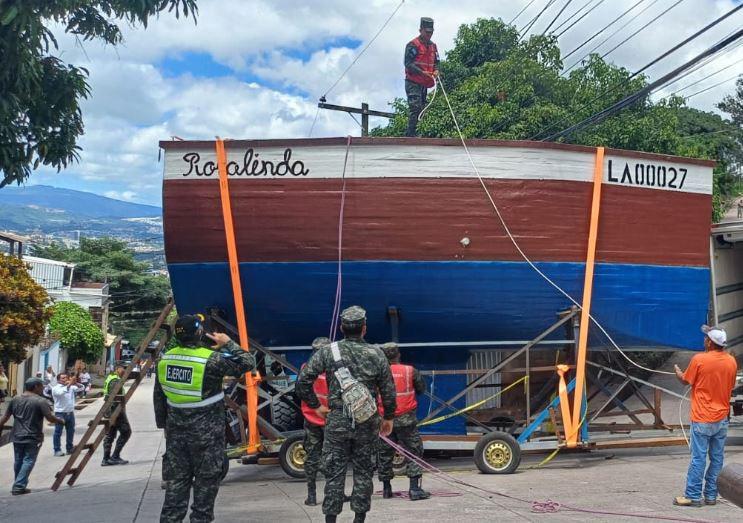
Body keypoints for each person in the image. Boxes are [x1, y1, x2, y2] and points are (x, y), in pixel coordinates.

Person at [296, 306, 396, 523]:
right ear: (364, 329)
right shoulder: (377, 354)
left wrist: (316, 406)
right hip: (367, 421)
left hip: (337, 419)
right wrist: (388, 417)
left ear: (341, 327)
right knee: (363, 471)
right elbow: (388, 390)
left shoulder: (327, 352)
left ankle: (331, 519)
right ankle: (359, 519)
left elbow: (303, 382)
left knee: (334, 473)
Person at [154, 314, 257, 523]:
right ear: (200, 333)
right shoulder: (211, 360)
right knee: (205, 488)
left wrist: (164, 425)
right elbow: (248, 362)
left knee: (175, 490)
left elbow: (159, 397)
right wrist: (228, 343)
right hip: (207, 437)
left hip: (176, 437)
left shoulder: (164, 360)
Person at [673, 325, 737, 507]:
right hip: (722, 418)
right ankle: (711, 495)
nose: (704, 340)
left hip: (702, 417)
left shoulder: (699, 359)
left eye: (706, 337)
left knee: (698, 458)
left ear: (710, 342)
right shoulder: (731, 361)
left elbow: (685, 379)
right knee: (717, 459)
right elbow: (730, 385)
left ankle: (693, 496)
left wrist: (678, 372)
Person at [376, 342, 430, 501]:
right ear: (398, 355)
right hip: (407, 420)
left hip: (385, 421)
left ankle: (386, 489)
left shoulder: (377, 373)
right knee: (414, 452)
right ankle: (414, 489)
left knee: (384, 454)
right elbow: (421, 389)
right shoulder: (410, 371)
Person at [0, 378, 64, 495]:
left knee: (19, 460)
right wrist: (60, 421)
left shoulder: (15, 399)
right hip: (32, 436)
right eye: (41, 386)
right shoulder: (40, 401)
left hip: (17, 435)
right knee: (28, 460)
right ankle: (19, 486)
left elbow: (5, 418)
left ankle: (18, 484)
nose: (43, 388)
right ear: (35, 387)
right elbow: (50, 418)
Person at [300, 336, 331, 506]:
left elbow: (300, 390)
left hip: (311, 419)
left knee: (312, 457)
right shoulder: (335, 371)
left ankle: (311, 496)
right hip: (329, 420)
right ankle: (332, 493)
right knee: (332, 458)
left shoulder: (306, 369)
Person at [404, 17, 439, 137]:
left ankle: (420, 134)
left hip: (425, 83)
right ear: (421, 30)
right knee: (415, 108)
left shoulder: (433, 46)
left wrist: (436, 71)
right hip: (413, 81)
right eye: (427, 32)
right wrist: (422, 72)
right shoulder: (413, 45)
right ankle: (410, 136)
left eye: (431, 32)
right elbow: (408, 64)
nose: (429, 34)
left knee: (423, 108)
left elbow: (437, 62)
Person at [101, 364, 132, 466]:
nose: (124, 370)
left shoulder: (112, 378)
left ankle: (106, 459)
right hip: (115, 410)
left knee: (110, 434)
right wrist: (113, 415)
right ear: (117, 369)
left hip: (110, 410)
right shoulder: (115, 381)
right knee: (126, 432)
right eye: (123, 368)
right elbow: (114, 399)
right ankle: (114, 456)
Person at [51, 373, 81, 456]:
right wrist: (70, 384)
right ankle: (57, 450)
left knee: (71, 431)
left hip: (70, 413)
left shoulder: (71, 387)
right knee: (58, 432)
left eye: (66, 377)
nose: (65, 379)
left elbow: (81, 388)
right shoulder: (55, 388)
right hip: (60, 413)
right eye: (63, 378)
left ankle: (69, 448)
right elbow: (61, 393)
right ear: (58, 380)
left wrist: (75, 383)